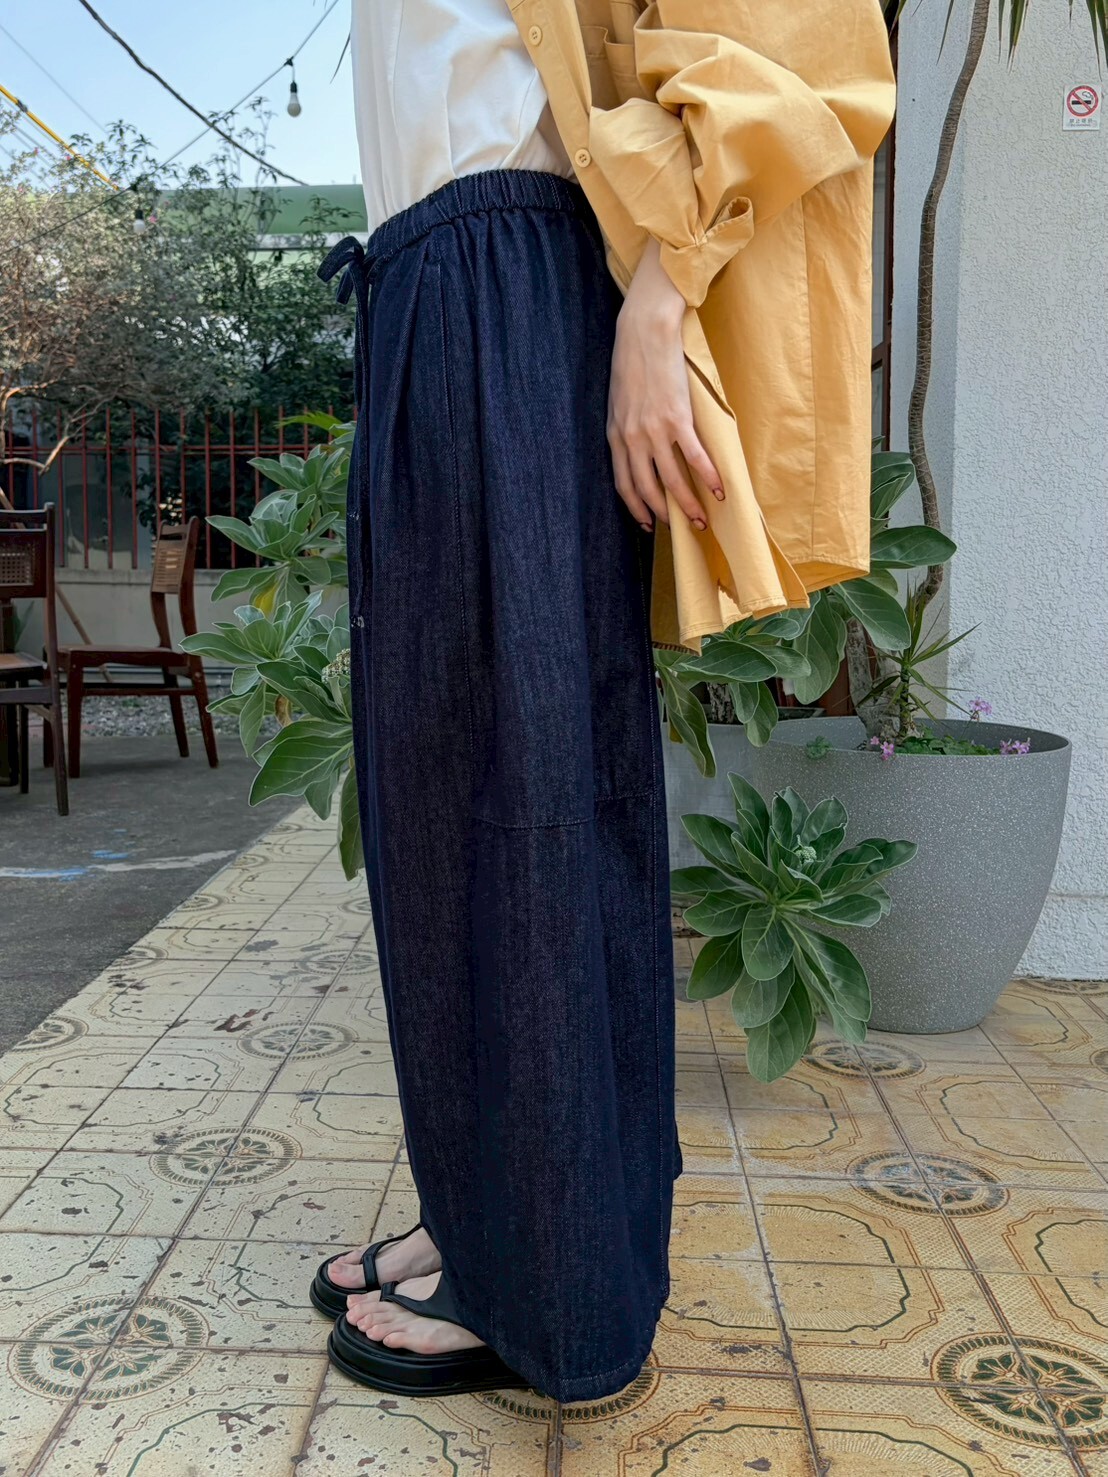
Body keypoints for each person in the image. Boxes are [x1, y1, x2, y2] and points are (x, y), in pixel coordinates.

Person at [311, 0, 896, 1403]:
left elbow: (792, 38)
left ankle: (555, 1290)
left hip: (517, 275)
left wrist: (662, 292)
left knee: (530, 794)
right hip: (425, 287)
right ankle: (481, 1213)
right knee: (440, 797)